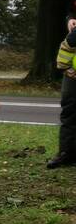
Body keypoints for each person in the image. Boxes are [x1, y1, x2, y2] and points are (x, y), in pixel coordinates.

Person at [47, 16, 76, 169]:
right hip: (73, 76)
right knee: (69, 112)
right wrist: (67, 69)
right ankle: (67, 153)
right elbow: (68, 45)